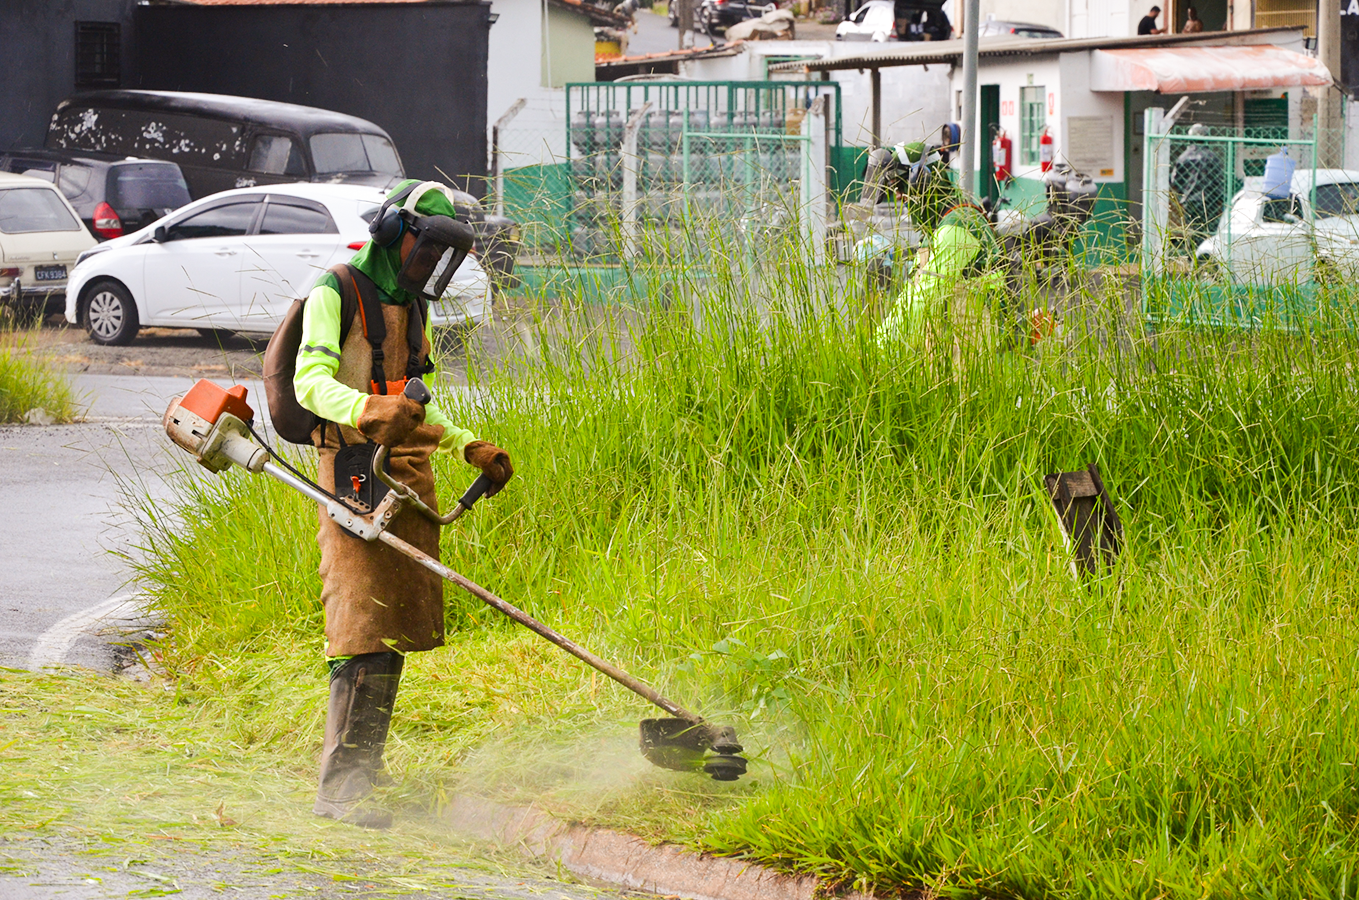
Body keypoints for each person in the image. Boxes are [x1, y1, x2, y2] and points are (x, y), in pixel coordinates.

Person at [293, 179, 514, 829]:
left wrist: (465, 443)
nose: (434, 267)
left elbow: (413, 399)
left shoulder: (410, 305)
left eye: (446, 256)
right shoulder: (337, 289)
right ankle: (339, 787)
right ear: (394, 231)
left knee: (395, 622)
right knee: (359, 621)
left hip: (407, 466)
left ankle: (368, 770)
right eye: (428, 248)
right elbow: (310, 382)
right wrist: (366, 410)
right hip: (352, 463)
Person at [861, 127, 1006, 348]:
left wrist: (881, 348)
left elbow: (922, 297)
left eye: (900, 187)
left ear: (922, 181)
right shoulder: (939, 224)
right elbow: (914, 291)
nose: (898, 196)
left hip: (970, 336)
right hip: (948, 332)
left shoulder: (956, 226)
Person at [1169, 123, 1225, 247]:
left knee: (1192, 229)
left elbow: (1175, 181)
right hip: (1210, 200)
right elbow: (1218, 181)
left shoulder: (1183, 157)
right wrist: (1220, 199)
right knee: (1209, 230)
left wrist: (1182, 196)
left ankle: (1192, 258)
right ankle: (1206, 256)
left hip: (1189, 200)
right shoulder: (1212, 157)